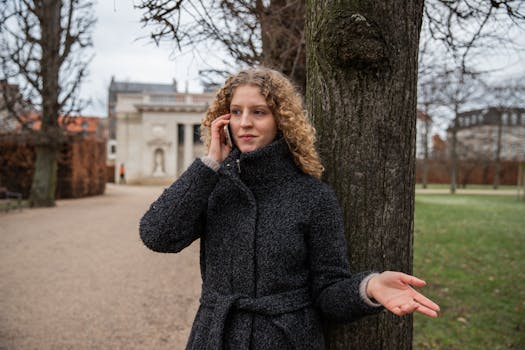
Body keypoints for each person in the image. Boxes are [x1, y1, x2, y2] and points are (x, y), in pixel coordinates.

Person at [139, 68, 440, 349]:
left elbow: (328, 292)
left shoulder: (312, 196)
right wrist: (209, 164)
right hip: (216, 336)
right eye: (235, 112)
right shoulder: (213, 185)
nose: (244, 123)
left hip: (288, 339)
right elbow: (158, 235)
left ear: (281, 120)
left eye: (259, 112)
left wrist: (369, 287)